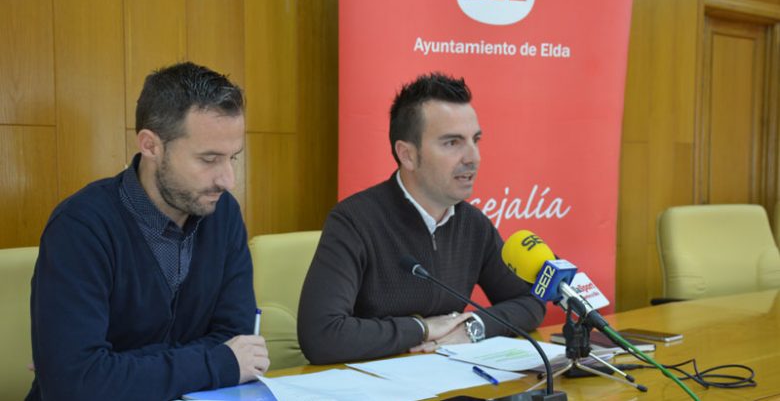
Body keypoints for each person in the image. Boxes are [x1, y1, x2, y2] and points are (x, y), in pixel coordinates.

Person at [27, 62, 269, 401]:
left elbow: (236, 338)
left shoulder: (222, 213)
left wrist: (117, 366)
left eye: (233, 158)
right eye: (209, 159)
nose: (227, 180)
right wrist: (216, 362)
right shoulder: (80, 227)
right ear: (151, 145)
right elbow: (75, 385)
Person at [297, 72, 546, 364]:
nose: (473, 157)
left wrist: (473, 328)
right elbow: (321, 336)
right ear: (408, 155)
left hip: (449, 378)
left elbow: (531, 301)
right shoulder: (354, 221)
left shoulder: (473, 224)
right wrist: (422, 329)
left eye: (475, 140)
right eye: (452, 143)